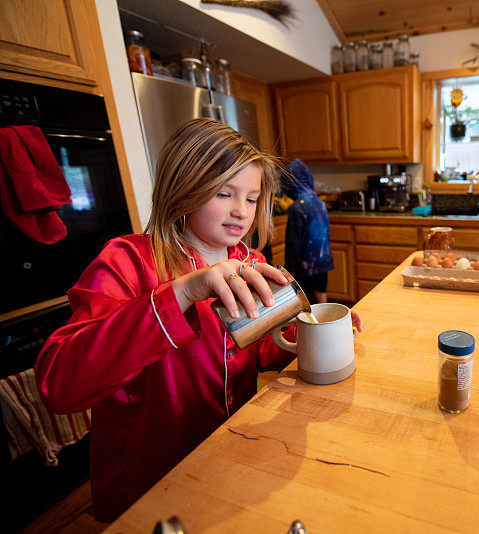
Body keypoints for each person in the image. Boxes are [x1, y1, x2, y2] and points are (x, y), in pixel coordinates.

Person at [34, 119, 364, 522]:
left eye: (252, 198)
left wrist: (313, 335)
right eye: (224, 193)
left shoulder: (250, 263)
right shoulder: (128, 262)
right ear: (183, 188)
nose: (240, 211)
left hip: (229, 454)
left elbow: (258, 345)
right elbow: (59, 383)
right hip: (148, 477)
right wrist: (183, 293)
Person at [281, 159, 334, 304]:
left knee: (303, 301)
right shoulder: (319, 202)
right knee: (322, 293)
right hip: (323, 259)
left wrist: (288, 268)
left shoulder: (296, 208)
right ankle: (325, 320)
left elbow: (293, 242)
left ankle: (307, 325)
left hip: (305, 264)